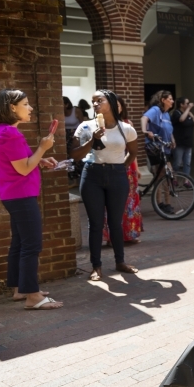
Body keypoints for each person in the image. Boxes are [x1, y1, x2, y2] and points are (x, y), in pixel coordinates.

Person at [0, 89, 62, 310]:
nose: (30, 108)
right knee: (32, 245)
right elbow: (22, 169)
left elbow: (19, 162)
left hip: (13, 194)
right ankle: (33, 297)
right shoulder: (10, 134)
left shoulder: (0, 131)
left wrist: (40, 159)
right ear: (12, 108)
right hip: (20, 194)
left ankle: (20, 289)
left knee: (20, 242)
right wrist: (42, 147)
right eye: (26, 104)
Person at [71, 90, 140, 281]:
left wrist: (119, 168)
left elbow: (133, 153)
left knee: (115, 222)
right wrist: (93, 139)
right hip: (92, 174)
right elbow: (74, 155)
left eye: (99, 100)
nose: (94, 104)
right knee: (96, 224)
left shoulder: (125, 129)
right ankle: (96, 266)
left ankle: (120, 261)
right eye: (93, 101)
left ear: (110, 102)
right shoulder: (85, 126)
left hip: (117, 176)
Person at [104, 96, 143, 244]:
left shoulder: (127, 124)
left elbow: (133, 150)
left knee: (130, 201)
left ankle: (130, 234)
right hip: (113, 165)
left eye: (119, 106)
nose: (117, 108)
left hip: (128, 166)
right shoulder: (103, 125)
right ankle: (111, 237)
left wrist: (137, 168)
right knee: (112, 202)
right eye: (114, 105)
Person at [141, 91, 175, 214]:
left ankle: (165, 203)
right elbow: (144, 118)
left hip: (165, 148)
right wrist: (145, 131)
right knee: (162, 175)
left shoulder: (167, 114)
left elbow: (169, 130)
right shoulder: (155, 110)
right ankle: (161, 203)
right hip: (155, 147)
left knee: (166, 175)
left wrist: (172, 139)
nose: (172, 101)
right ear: (163, 100)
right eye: (170, 99)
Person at [170, 97, 194, 176]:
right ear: (181, 104)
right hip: (179, 142)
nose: (189, 105)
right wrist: (188, 109)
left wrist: (192, 116)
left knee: (187, 163)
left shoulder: (188, 113)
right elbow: (181, 120)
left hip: (188, 142)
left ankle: (186, 180)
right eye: (187, 103)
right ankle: (174, 178)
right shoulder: (176, 113)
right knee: (177, 163)